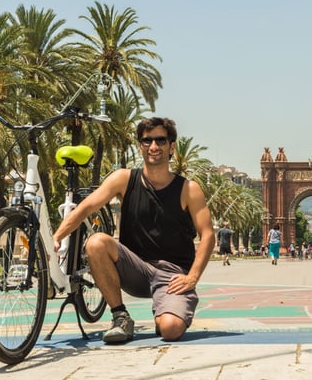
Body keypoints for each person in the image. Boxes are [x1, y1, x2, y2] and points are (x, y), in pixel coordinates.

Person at [52, 117, 215, 344]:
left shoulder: (189, 189)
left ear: (171, 146)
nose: (153, 146)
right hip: (133, 268)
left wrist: (192, 277)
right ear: (140, 145)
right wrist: (58, 235)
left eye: (160, 140)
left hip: (171, 274)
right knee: (96, 242)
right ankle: (120, 316)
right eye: (147, 141)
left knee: (170, 330)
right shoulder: (124, 179)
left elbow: (207, 234)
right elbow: (87, 206)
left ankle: (165, 311)